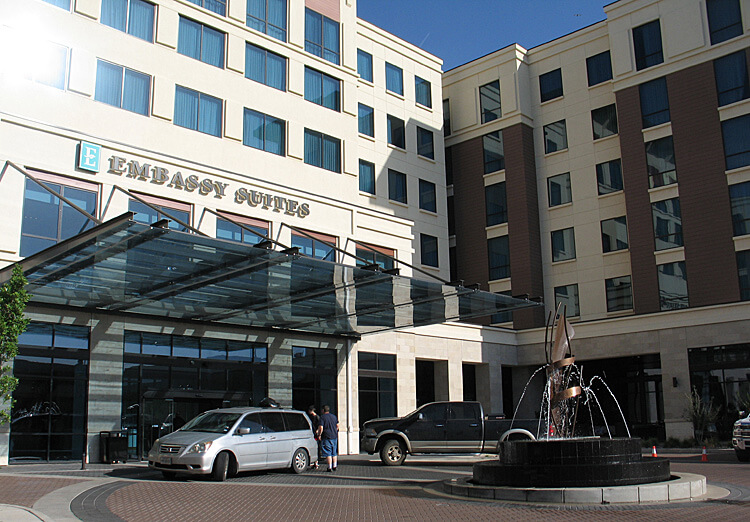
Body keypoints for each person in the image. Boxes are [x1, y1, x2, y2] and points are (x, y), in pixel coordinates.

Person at [317, 405, 339, 472]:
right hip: (334, 436)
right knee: (334, 452)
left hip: (326, 436)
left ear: (323, 410)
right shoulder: (334, 417)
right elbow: (337, 426)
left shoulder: (322, 417)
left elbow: (321, 427)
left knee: (328, 452)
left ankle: (329, 467)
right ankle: (334, 466)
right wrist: (335, 431)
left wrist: (319, 434)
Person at [307, 405, 321, 470]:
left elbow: (319, 426)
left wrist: (317, 432)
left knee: (315, 447)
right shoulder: (316, 417)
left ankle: (316, 462)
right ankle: (316, 462)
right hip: (314, 433)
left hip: (314, 434)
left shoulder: (315, 417)